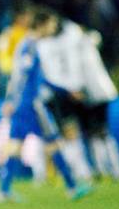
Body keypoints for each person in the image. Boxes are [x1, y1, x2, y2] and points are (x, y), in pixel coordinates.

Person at [0, 8, 93, 203]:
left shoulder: (29, 45)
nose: (53, 27)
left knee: (15, 146)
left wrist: (10, 100)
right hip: (32, 104)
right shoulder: (31, 46)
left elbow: (27, 78)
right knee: (54, 142)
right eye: (51, 23)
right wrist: (13, 100)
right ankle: (72, 187)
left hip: (21, 104)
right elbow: (23, 77)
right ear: (41, 25)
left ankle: (3, 191)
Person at [37, 12, 95, 181]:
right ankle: (78, 171)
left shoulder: (49, 42)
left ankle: (48, 174)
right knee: (65, 134)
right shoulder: (42, 45)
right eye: (51, 22)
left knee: (58, 135)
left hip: (58, 93)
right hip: (57, 93)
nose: (54, 26)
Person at [0, 1, 46, 184]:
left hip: (33, 91)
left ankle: (42, 175)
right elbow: (5, 64)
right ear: (20, 17)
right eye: (28, 16)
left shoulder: (34, 37)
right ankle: (6, 178)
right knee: (17, 138)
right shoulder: (9, 36)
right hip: (17, 92)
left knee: (25, 138)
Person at [77, 28, 119, 181]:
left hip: (93, 94)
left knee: (97, 133)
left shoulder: (78, 48)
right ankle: (112, 169)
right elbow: (96, 37)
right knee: (99, 133)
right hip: (100, 92)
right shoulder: (89, 43)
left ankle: (108, 169)